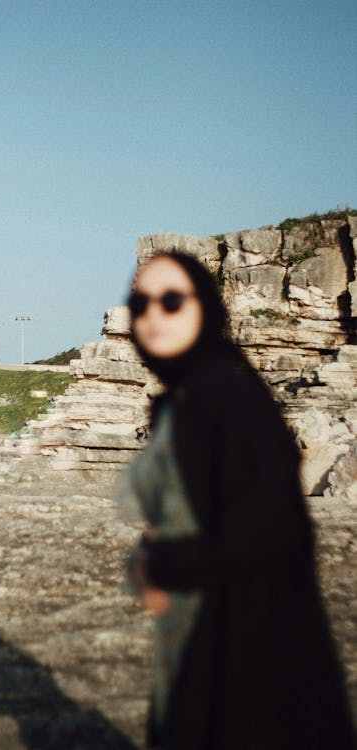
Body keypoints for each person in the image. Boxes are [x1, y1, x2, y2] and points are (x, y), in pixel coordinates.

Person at [117, 250, 355, 750]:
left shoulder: (223, 391)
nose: (153, 314)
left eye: (172, 300)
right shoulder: (196, 389)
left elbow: (267, 524)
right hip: (212, 620)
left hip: (246, 634)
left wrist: (163, 564)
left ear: (204, 306)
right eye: (140, 303)